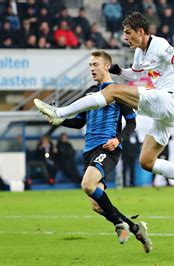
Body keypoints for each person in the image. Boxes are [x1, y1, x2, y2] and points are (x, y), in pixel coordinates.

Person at [34, 12, 174, 209]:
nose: (125, 37)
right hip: (167, 109)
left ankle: (59, 113)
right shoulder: (139, 53)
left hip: (169, 99)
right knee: (147, 161)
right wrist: (119, 71)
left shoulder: (159, 45)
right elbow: (134, 76)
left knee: (112, 91)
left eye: (128, 33)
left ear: (141, 32)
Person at [46, 51, 151, 253]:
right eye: (90, 65)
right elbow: (79, 122)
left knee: (87, 184)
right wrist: (59, 120)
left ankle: (120, 226)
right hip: (89, 150)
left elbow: (131, 123)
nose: (92, 68)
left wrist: (117, 139)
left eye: (95, 64)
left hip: (107, 148)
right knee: (96, 205)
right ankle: (136, 228)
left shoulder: (118, 91)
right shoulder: (90, 92)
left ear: (107, 66)